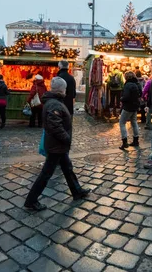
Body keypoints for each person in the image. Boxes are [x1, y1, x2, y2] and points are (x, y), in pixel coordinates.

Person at [23, 77, 90, 211]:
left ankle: (77, 191)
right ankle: (31, 200)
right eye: (65, 89)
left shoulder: (54, 101)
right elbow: (55, 125)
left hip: (58, 145)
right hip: (56, 146)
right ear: (61, 90)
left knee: (67, 168)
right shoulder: (55, 104)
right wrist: (66, 138)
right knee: (46, 174)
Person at [119, 71, 142, 150]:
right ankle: (136, 140)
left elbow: (126, 97)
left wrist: (121, 99)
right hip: (135, 106)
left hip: (128, 106)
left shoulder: (128, 85)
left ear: (126, 77)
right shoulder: (137, 84)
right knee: (134, 122)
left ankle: (124, 142)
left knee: (122, 122)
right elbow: (141, 93)